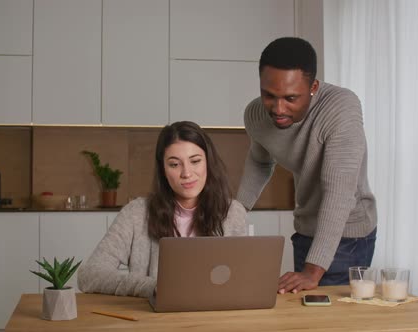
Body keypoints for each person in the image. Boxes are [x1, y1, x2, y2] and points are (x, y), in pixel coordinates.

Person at [237, 37, 377, 293]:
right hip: (305, 229)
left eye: (291, 98)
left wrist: (313, 270)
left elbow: (339, 192)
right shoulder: (255, 114)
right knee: (305, 315)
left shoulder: (341, 107)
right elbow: (259, 161)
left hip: (349, 233)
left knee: (331, 321)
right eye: (269, 95)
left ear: (313, 86)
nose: (278, 108)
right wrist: (234, 215)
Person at [78, 121, 247, 298]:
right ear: (163, 170)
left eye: (195, 161)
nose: (187, 173)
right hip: (154, 320)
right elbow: (89, 275)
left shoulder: (233, 212)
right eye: (174, 164)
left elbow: (241, 278)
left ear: (208, 162)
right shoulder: (136, 214)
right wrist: (152, 286)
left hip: (215, 318)